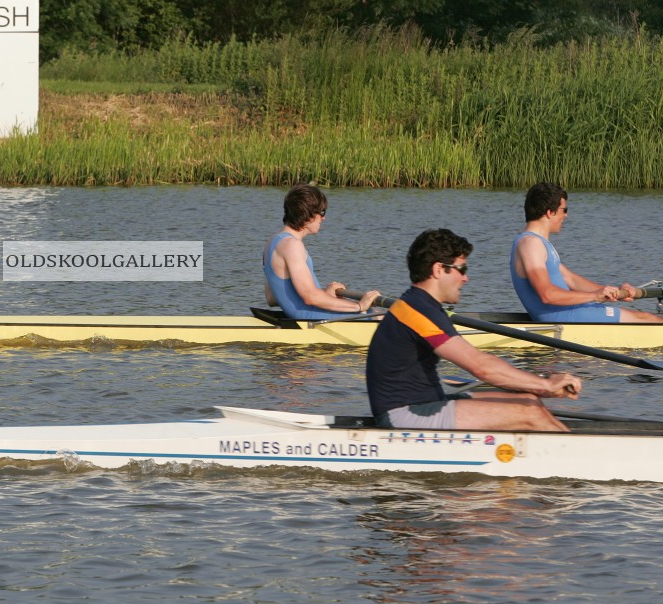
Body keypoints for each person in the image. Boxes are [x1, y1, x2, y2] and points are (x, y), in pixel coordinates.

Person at [366, 228, 581, 432]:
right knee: (530, 413)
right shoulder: (418, 311)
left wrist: (538, 388)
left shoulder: (424, 306)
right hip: (403, 414)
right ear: (439, 269)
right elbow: (481, 368)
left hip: (427, 403)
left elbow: (481, 360)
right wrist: (545, 384)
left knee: (528, 400)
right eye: (462, 269)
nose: (466, 278)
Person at [510, 182, 661, 323]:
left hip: (570, 311)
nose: (566, 215)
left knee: (647, 317)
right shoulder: (531, 244)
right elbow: (547, 295)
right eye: (565, 210)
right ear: (550, 212)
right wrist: (595, 296)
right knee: (649, 319)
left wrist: (611, 291)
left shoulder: (538, 243)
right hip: (563, 317)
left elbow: (570, 279)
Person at [263, 184, 380, 319]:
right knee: (379, 317)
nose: (323, 218)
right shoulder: (292, 246)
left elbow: (272, 298)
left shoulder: (272, 241)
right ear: (308, 214)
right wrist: (359, 306)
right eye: (322, 212)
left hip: (301, 313)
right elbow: (309, 297)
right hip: (308, 316)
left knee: (373, 313)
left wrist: (325, 294)